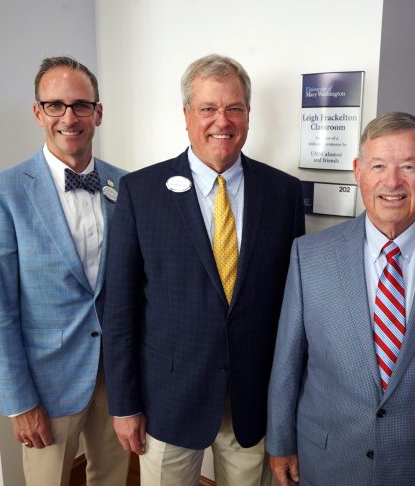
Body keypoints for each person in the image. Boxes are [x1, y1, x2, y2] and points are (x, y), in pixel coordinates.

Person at [266, 112, 415, 486]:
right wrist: (280, 442)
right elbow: (288, 361)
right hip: (329, 463)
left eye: (407, 166)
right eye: (378, 166)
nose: (392, 181)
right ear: (358, 171)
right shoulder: (308, 256)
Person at [102, 54, 305, 485]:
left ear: (248, 115)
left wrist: (288, 409)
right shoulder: (140, 192)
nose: (222, 121)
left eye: (234, 108)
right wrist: (124, 404)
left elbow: (293, 310)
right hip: (168, 402)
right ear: (186, 115)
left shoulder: (283, 193)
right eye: (208, 108)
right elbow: (120, 310)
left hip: (252, 403)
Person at [0, 56, 129, 485]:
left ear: (98, 112)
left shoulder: (126, 185)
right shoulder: (1, 193)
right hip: (47, 382)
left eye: (80, 105)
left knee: (112, 477)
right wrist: (19, 401)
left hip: (117, 375)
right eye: (55, 105)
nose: (69, 117)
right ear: (38, 112)